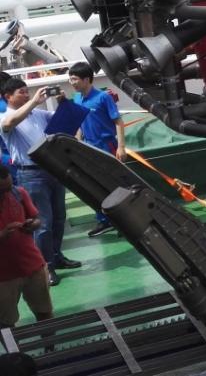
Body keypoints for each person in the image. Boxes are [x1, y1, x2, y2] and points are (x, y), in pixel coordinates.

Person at [1, 78, 79, 286]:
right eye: (22, 92)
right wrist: (34, 101)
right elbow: (9, 124)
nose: (27, 95)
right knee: (43, 223)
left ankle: (56, 256)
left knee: (59, 218)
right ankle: (46, 266)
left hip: (53, 170)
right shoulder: (5, 117)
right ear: (8, 96)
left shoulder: (38, 114)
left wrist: (63, 102)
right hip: (31, 174)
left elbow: (64, 121)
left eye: (27, 91)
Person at [68, 62, 124, 237]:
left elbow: (118, 122)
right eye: (70, 79)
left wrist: (121, 147)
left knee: (114, 184)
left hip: (106, 146)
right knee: (94, 186)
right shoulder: (77, 98)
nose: (72, 82)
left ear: (86, 79)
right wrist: (78, 143)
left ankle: (124, 222)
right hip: (88, 147)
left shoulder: (103, 97)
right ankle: (104, 220)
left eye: (74, 79)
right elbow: (79, 123)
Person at [0, 164, 54, 328]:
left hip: (33, 266)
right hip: (3, 276)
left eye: (9, 188)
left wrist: (33, 224)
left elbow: (37, 219)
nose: (7, 193)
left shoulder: (19, 193)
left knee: (44, 312)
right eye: (2, 191)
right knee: (6, 323)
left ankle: (49, 342)